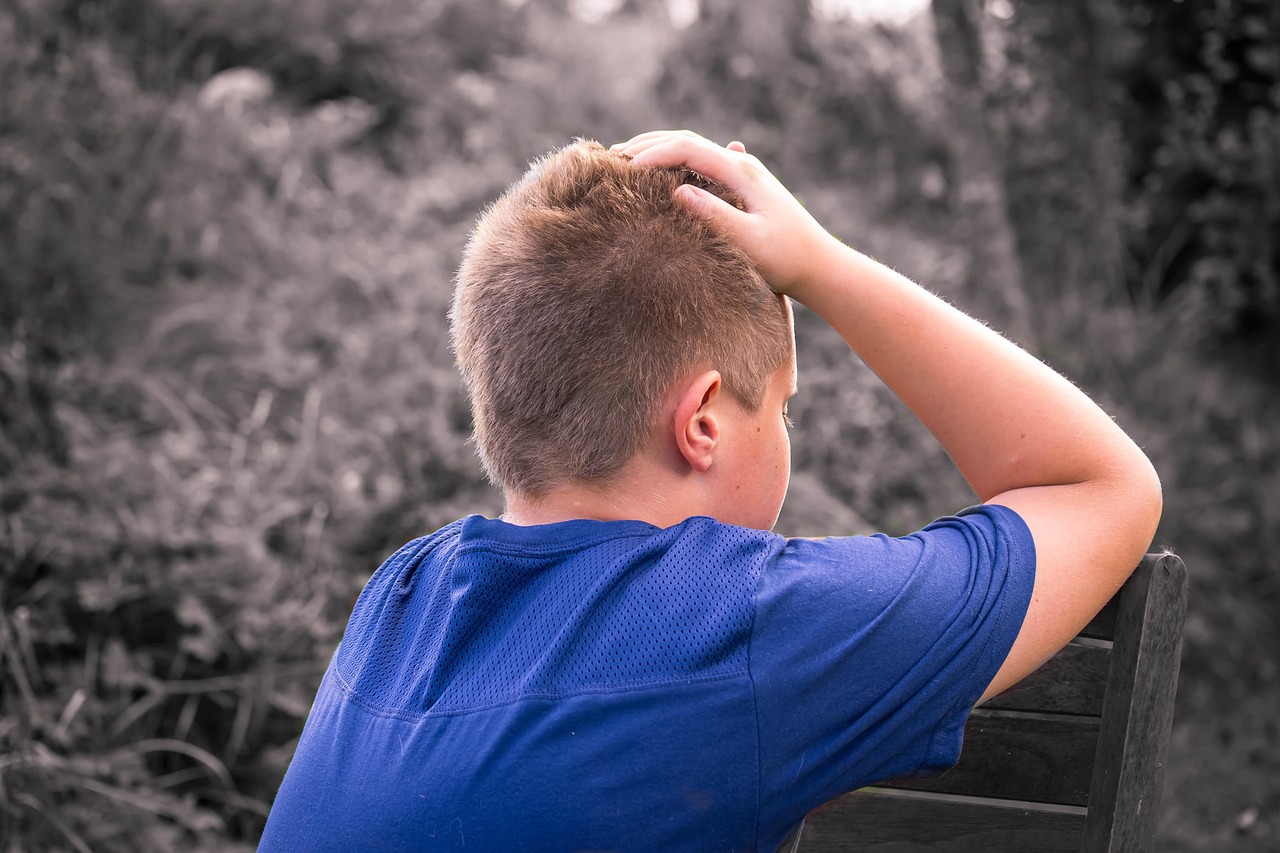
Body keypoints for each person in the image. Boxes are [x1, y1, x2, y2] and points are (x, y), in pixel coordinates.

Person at [258, 131, 1162, 852]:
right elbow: (1102, 486)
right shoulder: (745, 627)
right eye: (780, 408)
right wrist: (823, 267)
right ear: (703, 423)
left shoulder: (402, 596)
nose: (787, 435)